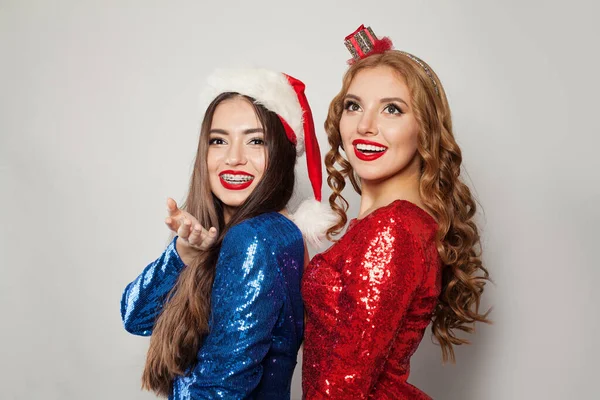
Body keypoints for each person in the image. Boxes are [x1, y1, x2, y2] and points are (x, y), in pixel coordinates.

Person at [302, 25, 491, 399]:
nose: (365, 126)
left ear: (425, 130)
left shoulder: (391, 231)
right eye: (353, 106)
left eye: (392, 109)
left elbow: (341, 388)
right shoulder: (394, 225)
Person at [121, 68, 332, 399]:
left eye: (255, 141)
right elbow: (136, 317)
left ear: (280, 154)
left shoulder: (257, 238)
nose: (234, 158)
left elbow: (220, 389)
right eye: (218, 141)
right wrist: (184, 254)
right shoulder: (259, 234)